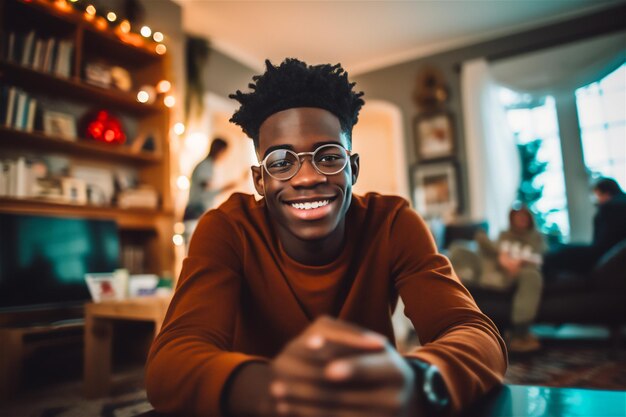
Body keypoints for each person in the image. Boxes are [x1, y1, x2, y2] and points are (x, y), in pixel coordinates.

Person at [146, 58, 507, 416]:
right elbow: (170, 363)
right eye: (282, 162)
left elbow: (475, 334)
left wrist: (417, 379)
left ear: (353, 168)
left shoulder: (393, 223)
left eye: (329, 157)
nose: (306, 178)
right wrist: (269, 389)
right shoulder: (227, 229)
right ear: (260, 181)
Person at [451, 205, 546, 353]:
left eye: (524, 217)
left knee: (532, 275)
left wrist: (517, 262)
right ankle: (461, 290)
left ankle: (520, 332)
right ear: (512, 220)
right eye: (517, 217)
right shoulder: (504, 235)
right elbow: (492, 251)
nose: (520, 220)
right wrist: (500, 257)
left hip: (520, 269)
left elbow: (539, 258)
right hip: (495, 268)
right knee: (458, 249)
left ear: (529, 219)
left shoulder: (536, 238)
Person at [542, 177, 626, 280]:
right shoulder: (619, 203)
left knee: (559, 253)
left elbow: (601, 244)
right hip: (613, 253)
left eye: (597, 195)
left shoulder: (609, 208)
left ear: (605, 193)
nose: (596, 200)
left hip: (606, 253)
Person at [183, 138, 242, 242]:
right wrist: (230, 185)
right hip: (196, 213)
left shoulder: (207, 165)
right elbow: (206, 192)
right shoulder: (206, 166)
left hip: (197, 213)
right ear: (219, 150)